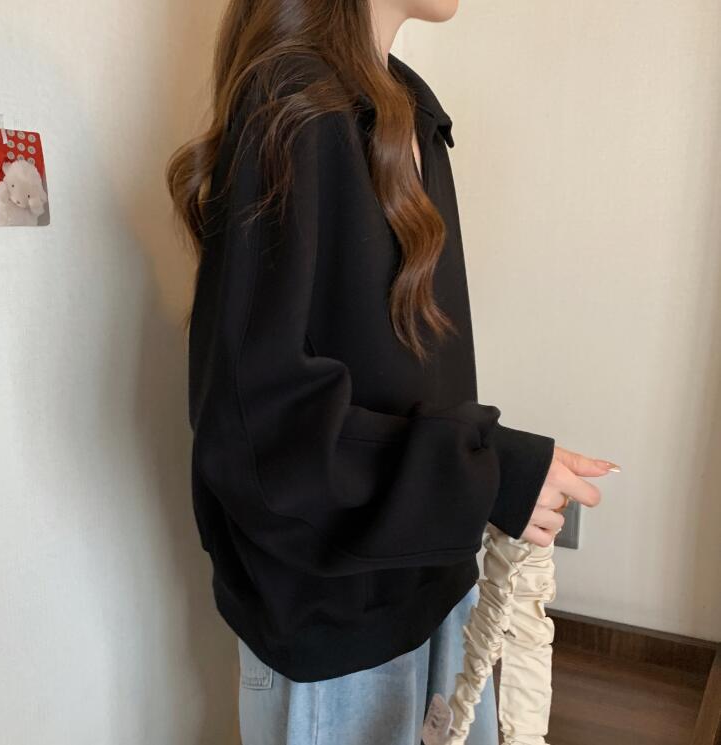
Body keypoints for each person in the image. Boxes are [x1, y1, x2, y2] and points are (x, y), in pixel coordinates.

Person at [166, 1, 616, 742]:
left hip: (432, 582)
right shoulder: (293, 104)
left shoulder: (408, 110)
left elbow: (403, 380)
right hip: (336, 630)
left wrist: (480, 478)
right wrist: (486, 474)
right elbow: (258, 428)